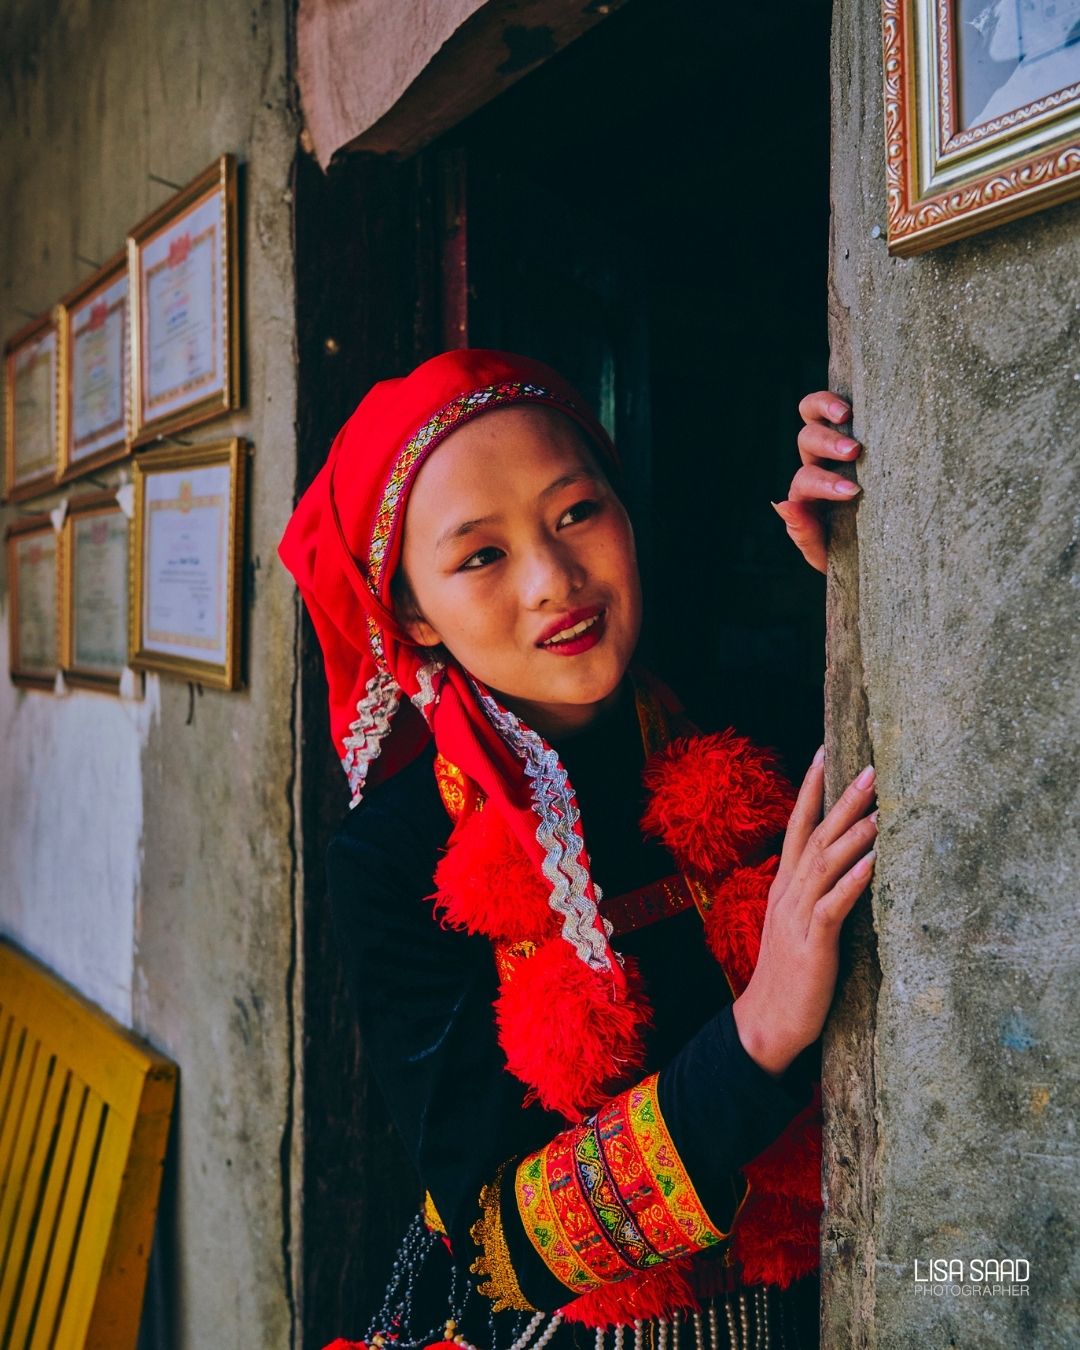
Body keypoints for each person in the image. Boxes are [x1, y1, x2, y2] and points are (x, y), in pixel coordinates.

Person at [278, 350, 875, 1350]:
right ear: (412, 615)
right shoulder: (393, 858)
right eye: (480, 556)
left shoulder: (748, 725)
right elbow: (495, 1241)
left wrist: (858, 563)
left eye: (575, 514)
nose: (555, 580)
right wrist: (761, 1028)